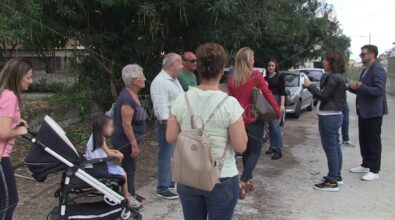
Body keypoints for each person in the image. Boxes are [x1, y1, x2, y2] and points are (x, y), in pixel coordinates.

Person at [167, 43, 248, 220]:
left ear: (199, 69)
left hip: (188, 175)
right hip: (222, 177)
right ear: (222, 69)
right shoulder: (230, 104)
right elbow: (240, 146)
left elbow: (170, 136)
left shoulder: (182, 98)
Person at [227, 47, 281, 199]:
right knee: (255, 151)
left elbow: (230, 99)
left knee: (245, 151)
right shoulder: (255, 75)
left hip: (238, 120)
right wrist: (277, 111)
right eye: (252, 58)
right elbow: (268, 94)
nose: (254, 60)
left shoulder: (232, 77)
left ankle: (247, 181)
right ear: (247, 60)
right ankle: (243, 181)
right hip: (253, 119)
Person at [304, 50, 347, 192]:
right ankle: (336, 176)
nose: (323, 62)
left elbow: (323, 96)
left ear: (332, 62)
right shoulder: (338, 76)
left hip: (329, 116)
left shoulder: (333, 77)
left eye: (326, 60)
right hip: (334, 115)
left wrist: (310, 85)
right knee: (335, 146)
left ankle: (332, 181)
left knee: (330, 149)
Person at [85, 115, 142, 209]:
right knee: (123, 174)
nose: (113, 128)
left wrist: (117, 152)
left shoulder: (96, 136)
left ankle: (123, 194)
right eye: (110, 126)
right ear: (103, 128)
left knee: (119, 169)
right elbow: (108, 153)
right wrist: (119, 155)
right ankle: (127, 196)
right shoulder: (100, 139)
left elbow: (106, 150)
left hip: (96, 164)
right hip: (98, 166)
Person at [349, 45, 388, 181]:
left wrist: (361, 86)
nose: (361, 56)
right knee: (364, 139)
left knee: (373, 141)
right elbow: (362, 89)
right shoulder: (366, 70)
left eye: (363, 54)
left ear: (372, 54)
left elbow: (378, 91)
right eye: (361, 54)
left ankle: (374, 169)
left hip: (374, 112)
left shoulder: (378, 69)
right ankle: (366, 164)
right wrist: (351, 87)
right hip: (364, 111)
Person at [0, 58, 32, 220]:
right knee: (9, 201)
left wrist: (17, 123)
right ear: (17, 76)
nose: (30, 81)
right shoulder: (9, 96)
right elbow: (3, 131)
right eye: (28, 77)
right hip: (0, 157)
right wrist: (19, 130)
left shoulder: (4, 93)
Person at [111, 64, 147, 202]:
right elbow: (126, 124)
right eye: (142, 76)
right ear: (133, 80)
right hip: (125, 141)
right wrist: (134, 145)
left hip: (130, 140)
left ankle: (130, 193)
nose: (144, 78)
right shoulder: (127, 98)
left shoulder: (132, 94)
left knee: (130, 168)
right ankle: (129, 196)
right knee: (128, 169)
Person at [150, 53, 184, 199]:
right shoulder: (160, 82)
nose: (182, 66)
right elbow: (160, 107)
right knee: (165, 154)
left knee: (172, 154)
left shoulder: (173, 80)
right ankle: (162, 187)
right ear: (171, 65)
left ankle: (169, 183)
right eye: (180, 63)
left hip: (175, 123)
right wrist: (168, 125)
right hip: (167, 123)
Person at [321, 74, 354, 147]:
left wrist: (349, 85)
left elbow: (348, 84)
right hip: (333, 102)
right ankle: (336, 139)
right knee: (336, 120)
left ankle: (346, 139)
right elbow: (323, 88)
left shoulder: (343, 75)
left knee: (345, 120)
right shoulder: (326, 75)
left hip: (342, 101)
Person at [264, 58, 285, 160]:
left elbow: (282, 92)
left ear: (276, 66)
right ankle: (272, 146)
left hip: (276, 100)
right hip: (267, 101)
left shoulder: (280, 76)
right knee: (270, 126)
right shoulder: (265, 78)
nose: (271, 67)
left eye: (272, 65)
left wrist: (282, 105)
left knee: (275, 125)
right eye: (269, 65)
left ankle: (278, 149)